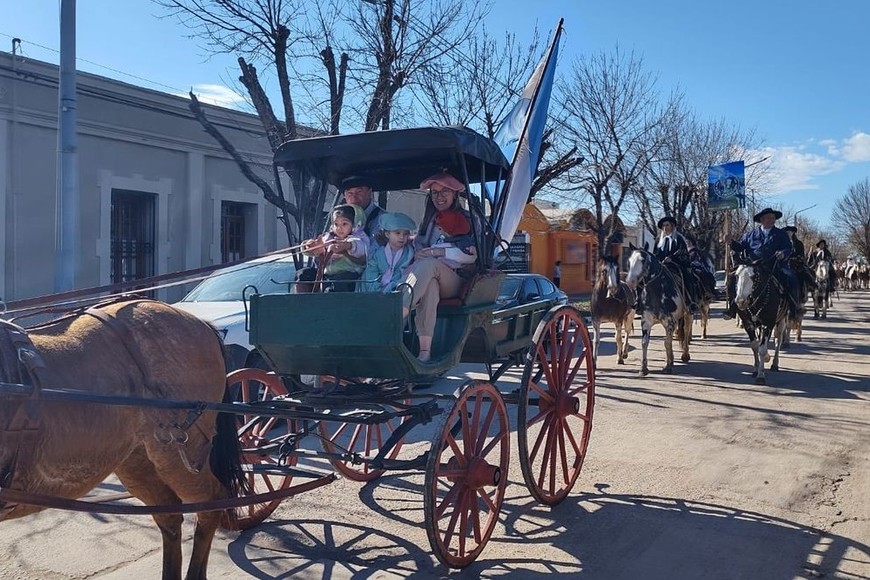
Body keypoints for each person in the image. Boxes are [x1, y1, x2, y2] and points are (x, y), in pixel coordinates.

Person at [402, 172, 477, 362]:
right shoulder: (429, 219)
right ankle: (425, 352)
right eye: (434, 193)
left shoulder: (468, 219)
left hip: (456, 278)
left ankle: (397, 313)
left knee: (429, 265)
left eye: (445, 192)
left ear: (454, 194)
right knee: (431, 288)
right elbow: (419, 245)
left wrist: (438, 253)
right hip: (430, 275)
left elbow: (472, 256)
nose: (439, 197)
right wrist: (418, 252)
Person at [724, 207, 798, 319]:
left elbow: (788, 248)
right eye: (768, 218)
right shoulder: (750, 235)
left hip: (774, 265)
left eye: (773, 218)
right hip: (752, 266)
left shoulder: (780, 234)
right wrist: (731, 242)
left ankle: (793, 309)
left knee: (791, 277)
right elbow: (740, 247)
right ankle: (732, 308)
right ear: (762, 219)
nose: (771, 220)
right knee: (732, 278)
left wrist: (783, 254)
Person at [297, 204, 369, 292]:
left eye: (344, 224)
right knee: (304, 274)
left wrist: (346, 245)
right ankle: (299, 302)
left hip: (349, 273)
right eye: (336, 224)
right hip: (328, 274)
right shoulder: (329, 237)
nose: (339, 228)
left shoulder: (359, 237)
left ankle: (333, 303)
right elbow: (320, 248)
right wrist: (311, 247)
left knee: (336, 284)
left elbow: (360, 247)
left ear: (354, 224)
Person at [361, 212, 416, 293]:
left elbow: (404, 273)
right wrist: (376, 289)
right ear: (387, 234)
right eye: (397, 233)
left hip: (397, 291)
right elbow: (371, 272)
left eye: (405, 234)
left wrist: (390, 288)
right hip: (375, 291)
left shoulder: (409, 253)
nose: (402, 237)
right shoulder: (378, 253)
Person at [654, 216, 699, 313]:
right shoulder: (659, 240)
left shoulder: (678, 238)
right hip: (661, 266)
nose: (665, 227)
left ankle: (690, 302)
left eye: (667, 225)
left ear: (672, 226)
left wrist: (671, 258)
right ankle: (642, 302)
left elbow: (682, 252)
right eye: (663, 226)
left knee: (688, 277)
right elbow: (656, 253)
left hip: (676, 265)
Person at [784, 225, 815, 298]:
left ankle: (803, 292)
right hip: (784, 264)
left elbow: (801, 255)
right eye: (786, 232)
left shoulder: (798, 243)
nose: (787, 234)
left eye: (789, 232)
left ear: (793, 233)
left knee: (803, 274)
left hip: (796, 264)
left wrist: (796, 258)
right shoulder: (783, 243)